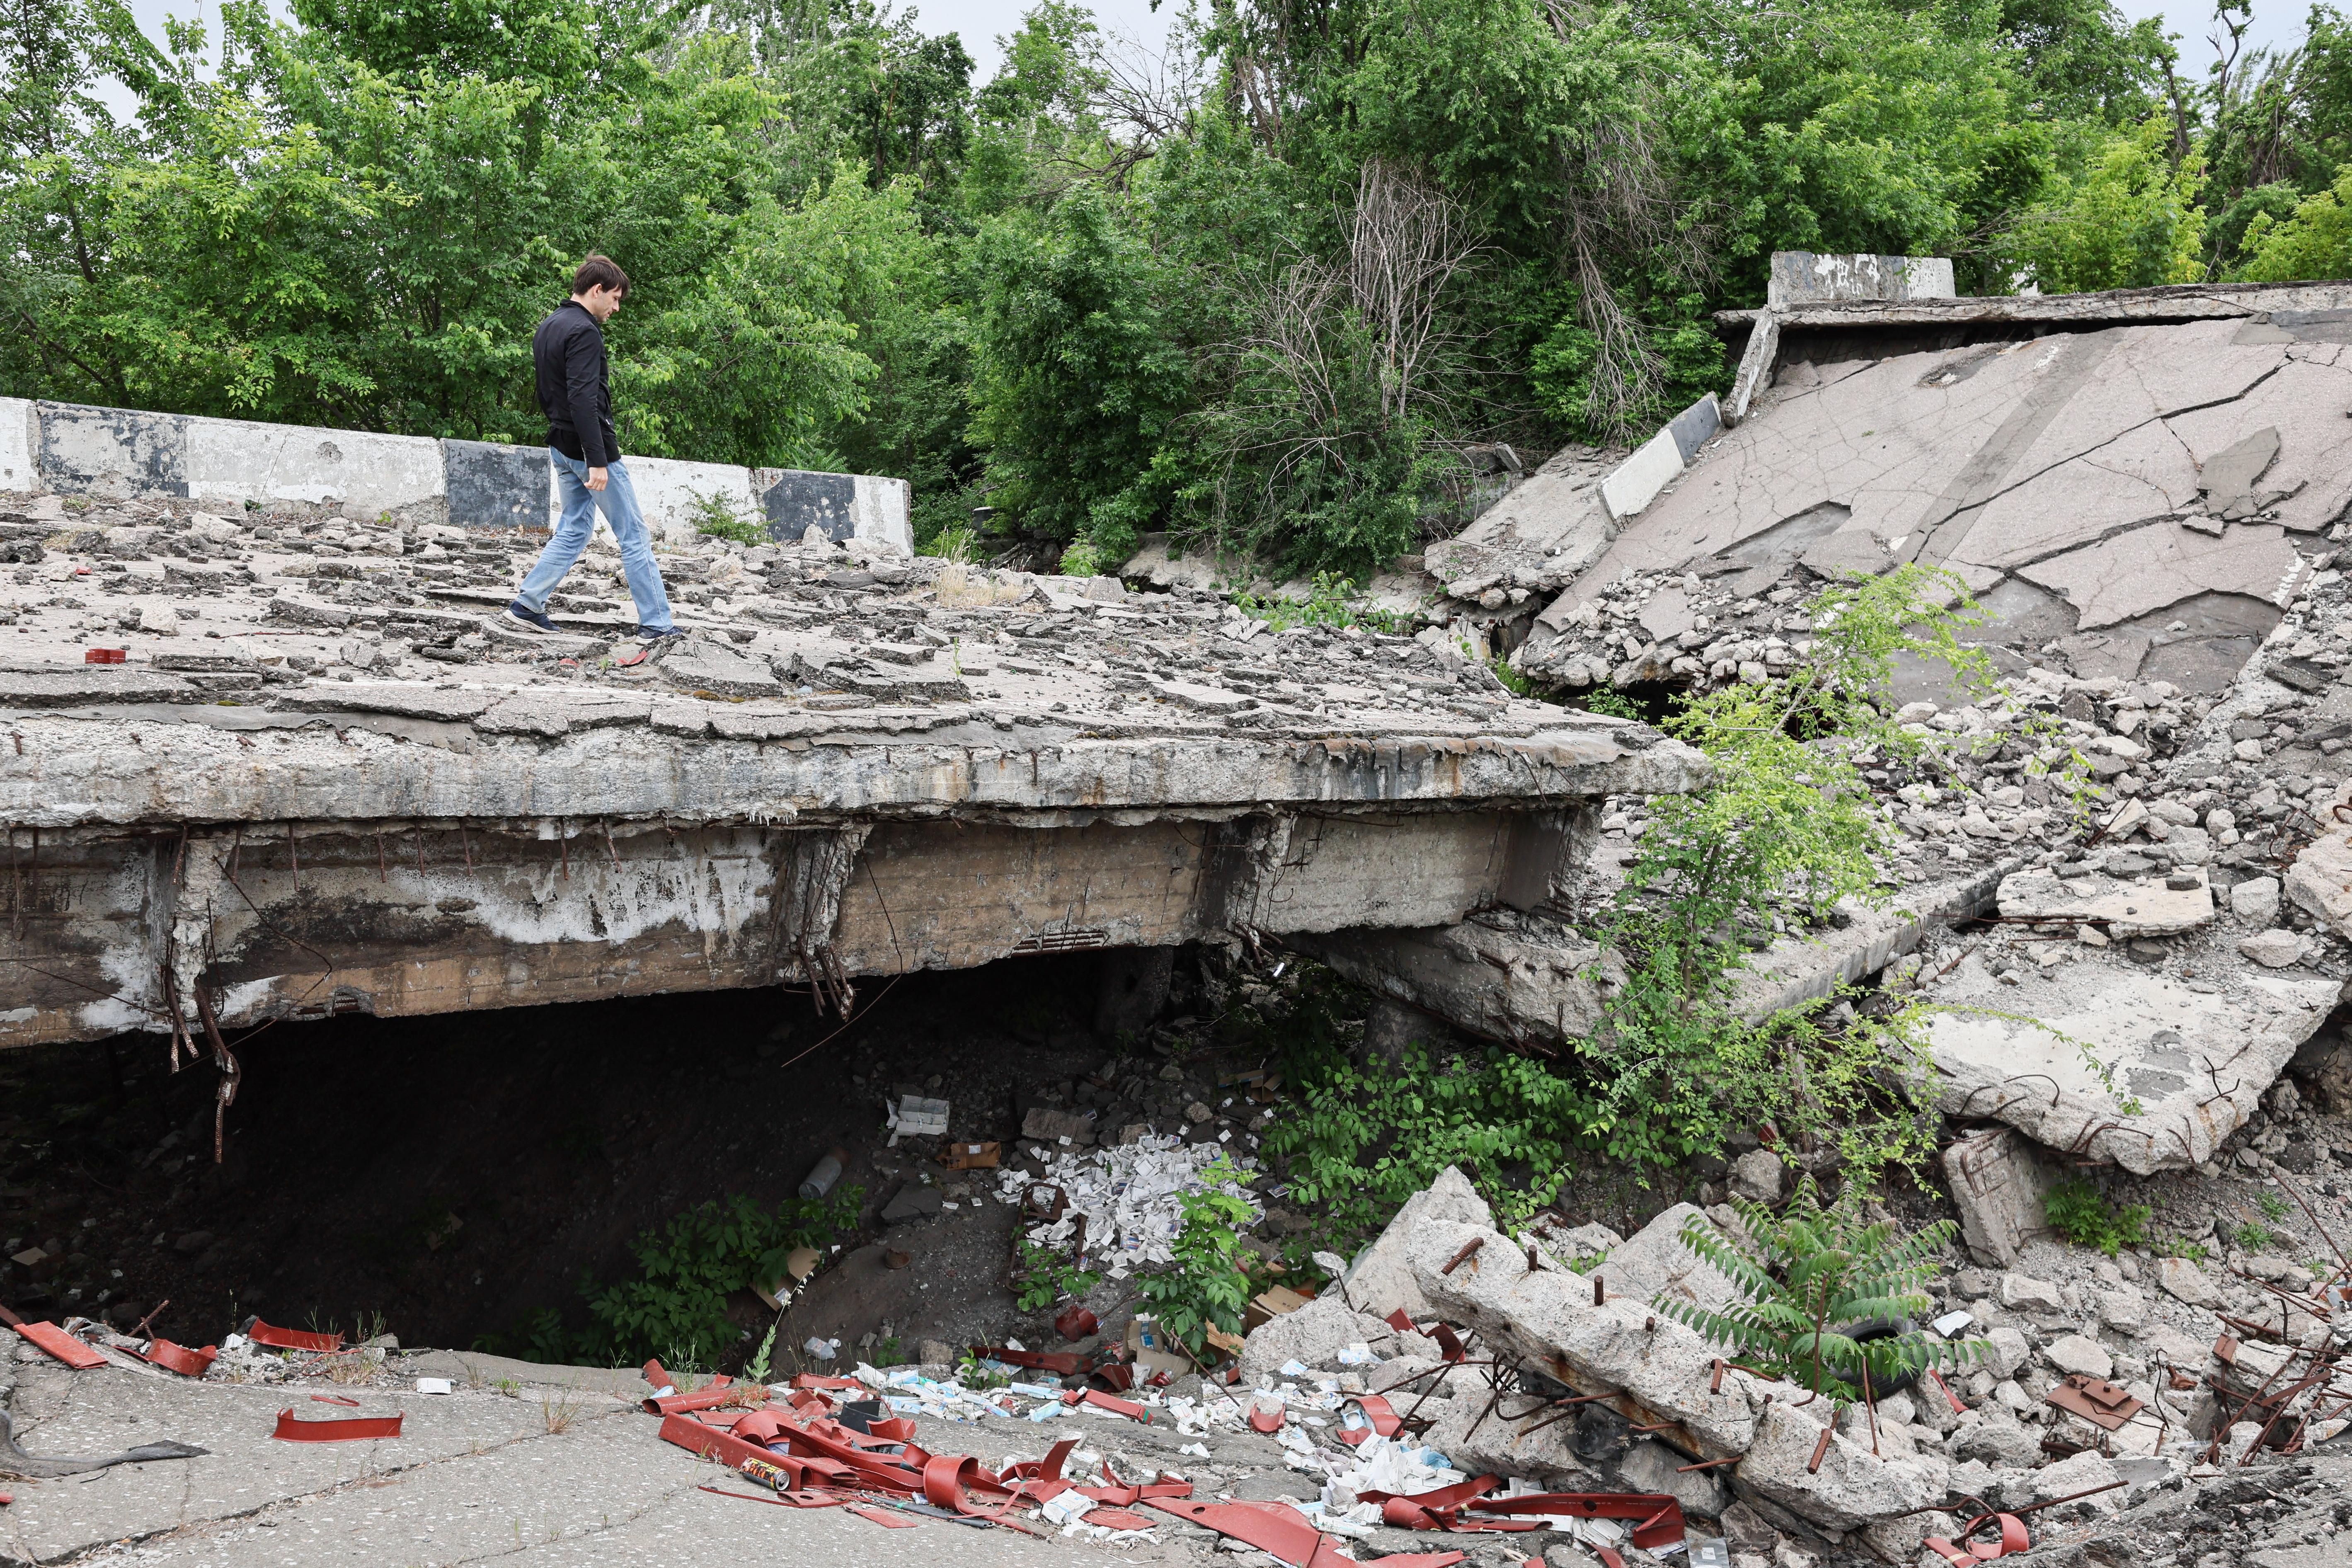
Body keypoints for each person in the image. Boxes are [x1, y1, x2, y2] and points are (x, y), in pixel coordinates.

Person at [504, 254, 680, 643]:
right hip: (588, 451)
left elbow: (549, 393)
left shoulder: (550, 324)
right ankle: (657, 624)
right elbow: (584, 400)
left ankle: (527, 605)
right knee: (633, 533)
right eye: (615, 299)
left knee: (575, 527)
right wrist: (597, 461)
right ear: (597, 290)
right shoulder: (584, 330)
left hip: (561, 445)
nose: (616, 308)